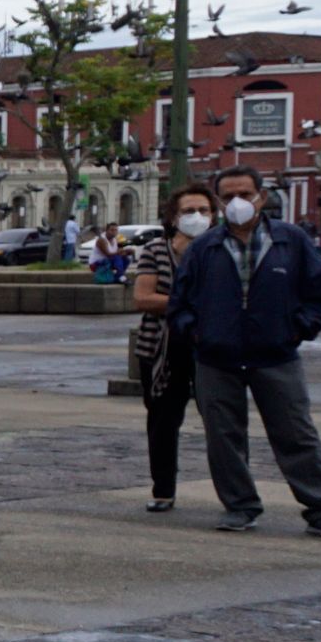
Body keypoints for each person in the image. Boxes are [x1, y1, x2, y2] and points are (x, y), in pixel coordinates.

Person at [169, 167, 321, 535]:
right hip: (216, 357)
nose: (237, 203)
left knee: (295, 433)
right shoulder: (204, 248)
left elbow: (320, 296)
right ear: (218, 201)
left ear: (261, 197)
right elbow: (179, 303)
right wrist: (199, 334)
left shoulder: (290, 241)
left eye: (244, 194)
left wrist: (296, 330)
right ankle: (239, 505)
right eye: (228, 197)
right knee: (223, 436)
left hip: (276, 355)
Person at [130, 185, 213, 512]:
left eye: (204, 211)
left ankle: (237, 495)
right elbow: (142, 298)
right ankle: (163, 489)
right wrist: (196, 305)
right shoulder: (155, 251)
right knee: (162, 422)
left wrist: (179, 305)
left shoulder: (220, 250)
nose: (197, 217)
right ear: (173, 217)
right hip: (161, 349)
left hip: (211, 349)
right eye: (189, 211)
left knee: (223, 423)